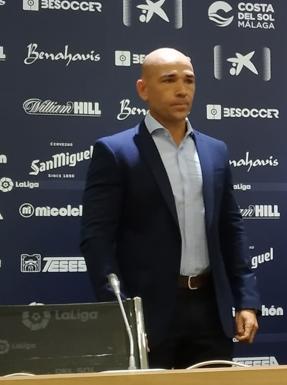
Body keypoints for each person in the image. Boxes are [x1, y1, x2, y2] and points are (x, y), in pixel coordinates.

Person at [80, 47, 260, 369]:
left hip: (210, 310)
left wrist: (246, 301)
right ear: (143, 89)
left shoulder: (215, 151)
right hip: (148, 312)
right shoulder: (115, 151)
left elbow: (231, 230)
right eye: (168, 80)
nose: (182, 89)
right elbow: (97, 240)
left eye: (189, 80)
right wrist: (122, 315)